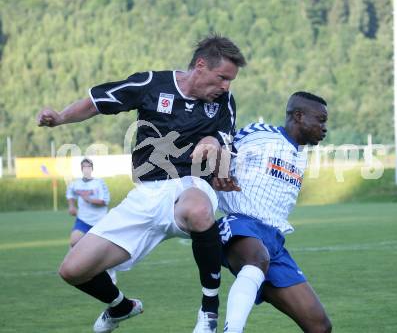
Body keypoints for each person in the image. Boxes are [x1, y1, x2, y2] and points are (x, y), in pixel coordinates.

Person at [37, 34, 246, 333]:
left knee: (199, 209)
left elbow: (228, 137)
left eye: (230, 81)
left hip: (191, 185)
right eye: (222, 77)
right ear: (200, 66)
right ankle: (121, 306)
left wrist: (213, 142)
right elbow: (97, 102)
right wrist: (59, 117)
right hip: (147, 194)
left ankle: (209, 312)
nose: (226, 86)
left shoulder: (224, 101)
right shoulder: (152, 84)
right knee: (73, 270)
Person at [212, 91, 332, 333]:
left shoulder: (301, 156)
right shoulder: (260, 133)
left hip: (274, 241)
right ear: (298, 116)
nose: (324, 128)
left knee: (320, 326)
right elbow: (222, 147)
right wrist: (219, 172)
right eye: (320, 120)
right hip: (240, 223)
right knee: (257, 258)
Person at [65, 158, 116, 283]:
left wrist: (89, 199)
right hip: (83, 219)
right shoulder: (76, 183)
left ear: (92, 169)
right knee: (74, 242)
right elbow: (70, 194)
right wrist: (71, 206)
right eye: (84, 167)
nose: (86, 169)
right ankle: (76, 270)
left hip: (99, 221)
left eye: (88, 167)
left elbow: (105, 201)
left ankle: (111, 275)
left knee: (103, 250)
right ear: (81, 169)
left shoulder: (99, 183)